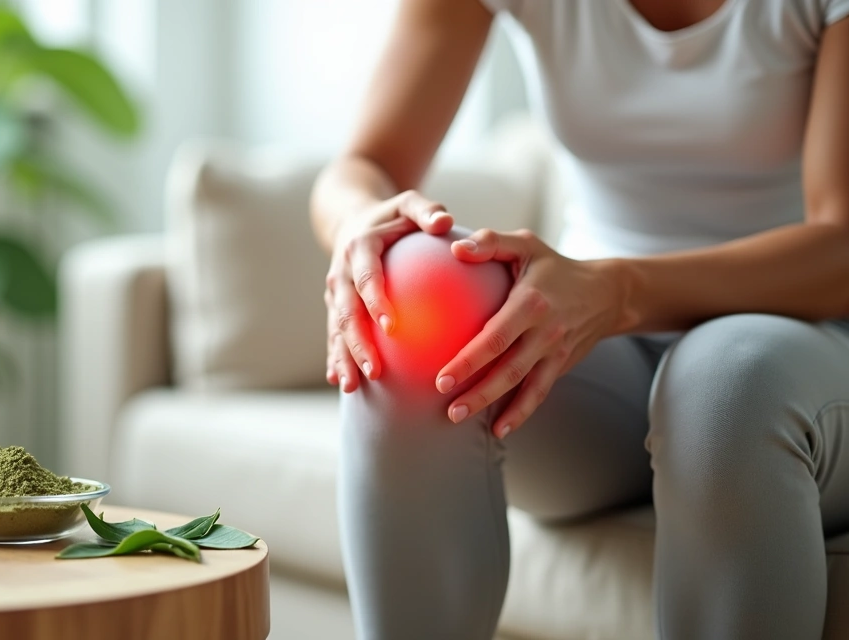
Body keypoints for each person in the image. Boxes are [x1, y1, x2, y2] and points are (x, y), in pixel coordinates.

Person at [309, 0, 849, 638]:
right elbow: (361, 167)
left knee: (726, 382)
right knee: (415, 297)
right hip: (600, 354)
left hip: (802, 340)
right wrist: (355, 226)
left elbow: (839, 247)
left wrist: (619, 289)